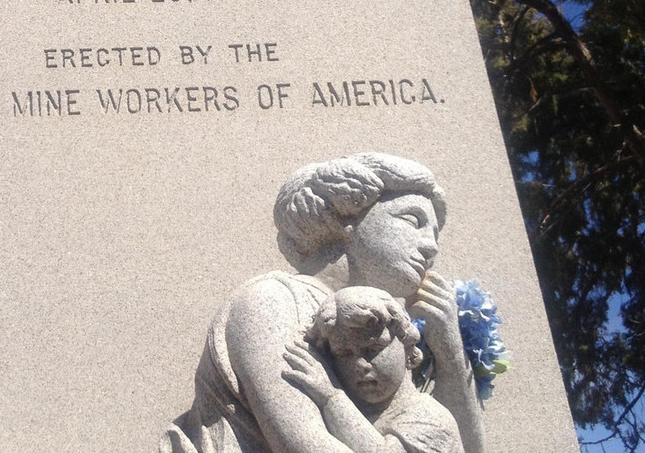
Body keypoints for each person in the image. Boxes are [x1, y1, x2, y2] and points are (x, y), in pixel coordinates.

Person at [160, 152, 483, 453]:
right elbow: (304, 444)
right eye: (413, 220)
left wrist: (450, 354)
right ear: (348, 216)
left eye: (436, 234)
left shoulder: (389, 326)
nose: (431, 247)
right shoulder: (272, 302)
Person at [282, 286, 464, 453]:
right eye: (344, 354)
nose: (360, 365)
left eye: (373, 349)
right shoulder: (356, 409)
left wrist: (331, 398)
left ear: (406, 345)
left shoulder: (430, 418)